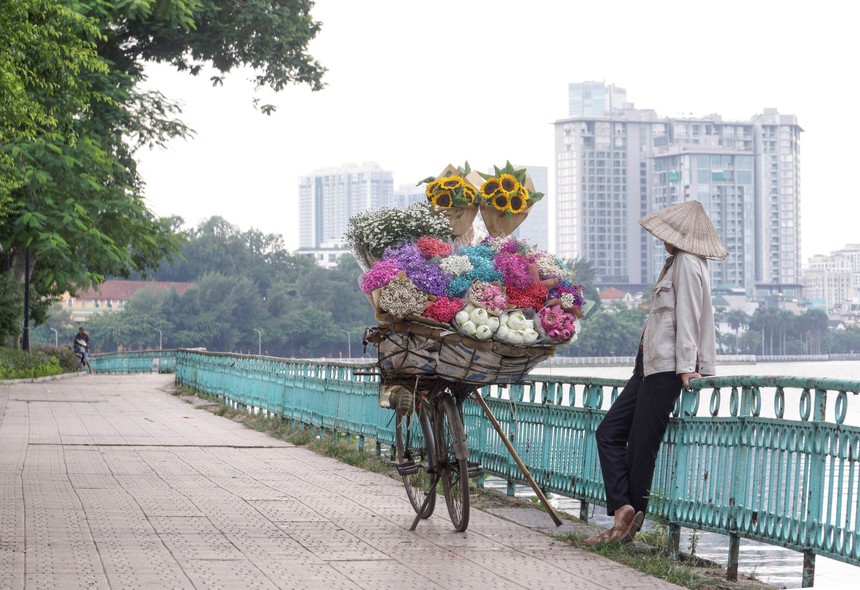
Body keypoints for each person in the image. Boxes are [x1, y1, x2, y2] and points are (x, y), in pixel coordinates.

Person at [585, 200, 729, 544]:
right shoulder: (674, 263)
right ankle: (623, 509)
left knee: (641, 449)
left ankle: (625, 528)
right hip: (648, 367)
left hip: (667, 370)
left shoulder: (688, 264)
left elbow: (690, 318)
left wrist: (686, 369)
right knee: (609, 433)